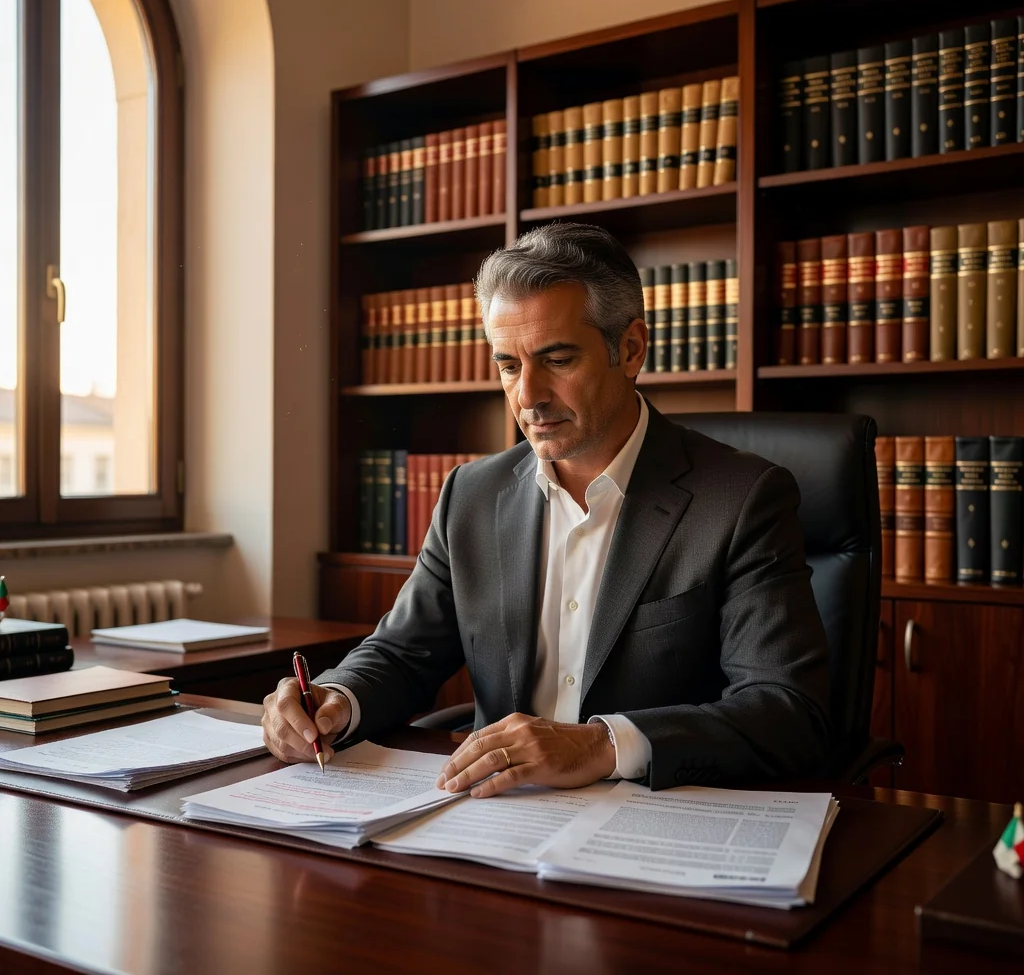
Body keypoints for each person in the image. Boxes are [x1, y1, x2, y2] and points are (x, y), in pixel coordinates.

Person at [263, 222, 830, 795]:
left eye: (557, 360)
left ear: (630, 349)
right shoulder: (471, 495)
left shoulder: (741, 498)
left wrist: (603, 744)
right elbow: (403, 654)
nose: (528, 396)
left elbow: (787, 710)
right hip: (494, 816)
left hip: (655, 818)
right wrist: (337, 700)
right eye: (509, 365)